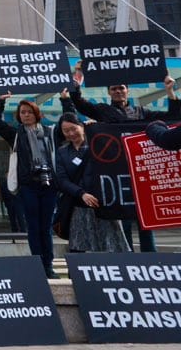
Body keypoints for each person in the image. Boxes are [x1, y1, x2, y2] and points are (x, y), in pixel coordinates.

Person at [70, 73, 178, 252]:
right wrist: (76, 84)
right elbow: (80, 103)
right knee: (124, 219)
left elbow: (173, 116)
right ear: (109, 93)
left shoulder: (142, 113)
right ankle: (127, 259)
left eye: (121, 88)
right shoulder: (102, 110)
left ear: (128, 90)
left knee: (145, 220)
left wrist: (170, 91)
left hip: (140, 170)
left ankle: (151, 259)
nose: (118, 91)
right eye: (114, 89)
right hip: (116, 172)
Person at [0, 92, 71, 278]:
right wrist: (0, 101)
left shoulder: (50, 132)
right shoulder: (16, 135)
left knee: (46, 227)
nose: (26, 115)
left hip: (49, 185)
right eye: (22, 112)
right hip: (28, 186)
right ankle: (38, 264)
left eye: (29, 112)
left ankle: (48, 265)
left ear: (36, 113)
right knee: (33, 227)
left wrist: (65, 99)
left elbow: (67, 122)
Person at [55, 113, 130, 253]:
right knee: (78, 248)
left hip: (103, 205)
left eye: (73, 128)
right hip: (77, 206)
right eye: (66, 131)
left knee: (111, 245)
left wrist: (98, 127)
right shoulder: (62, 152)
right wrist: (82, 194)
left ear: (82, 126)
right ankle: (78, 275)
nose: (71, 133)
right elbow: (62, 180)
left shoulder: (98, 144)